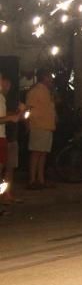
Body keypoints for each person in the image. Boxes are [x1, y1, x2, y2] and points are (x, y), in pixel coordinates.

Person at [25, 70, 57, 189]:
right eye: (50, 77)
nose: (52, 79)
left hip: (47, 126)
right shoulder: (35, 91)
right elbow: (28, 109)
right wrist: (28, 124)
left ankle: (41, 179)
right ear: (44, 77)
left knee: (43, 153)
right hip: (38, 126)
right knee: (36, 153)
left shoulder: (47, 91)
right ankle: (32, 180)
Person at [0, 72, 27, 206]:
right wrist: (13, 116)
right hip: (3, 137)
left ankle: (6, 194)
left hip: (10, 137)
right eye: (4, 82)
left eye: (8, 83)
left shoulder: (7, 99)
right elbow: (6, 116)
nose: (7, 86)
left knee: (9, 168)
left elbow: (13, 116)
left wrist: (21, 114)